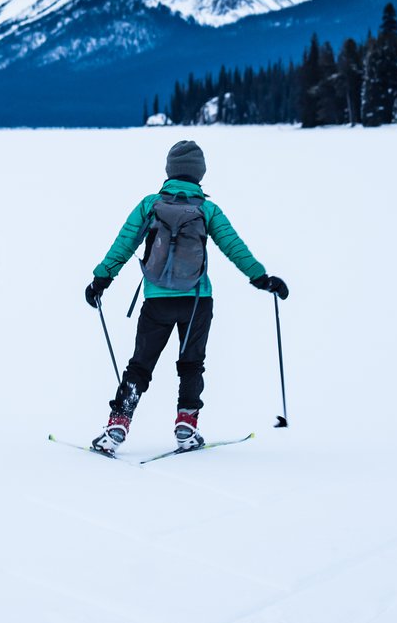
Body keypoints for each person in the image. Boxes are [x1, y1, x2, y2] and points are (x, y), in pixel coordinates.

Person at [82, 139, 287, 453]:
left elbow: (122, 244)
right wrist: (262, 279)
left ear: (169, 171)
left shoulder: (150, 205)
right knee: (191, 364)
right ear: (199, 174)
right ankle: (186, 427)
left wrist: (101, 279)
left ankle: (117, 425)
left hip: (157, 301)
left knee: (140, 365)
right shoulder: (207, 209)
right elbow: (235, 248)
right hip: (196, 301)